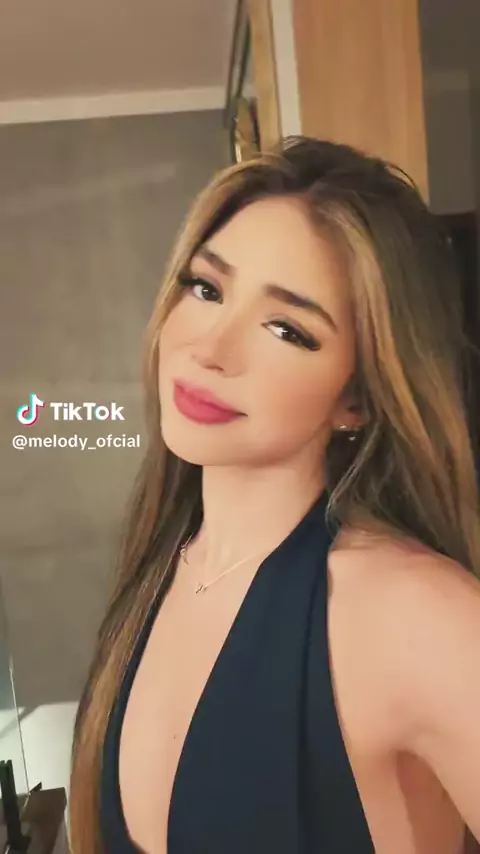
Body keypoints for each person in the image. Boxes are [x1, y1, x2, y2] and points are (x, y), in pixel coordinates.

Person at [69, 137, 480, 854]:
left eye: (287, 329)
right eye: (207, 289)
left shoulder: (414, 614)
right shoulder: (157, 572)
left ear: (356, 398)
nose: (211, 348)